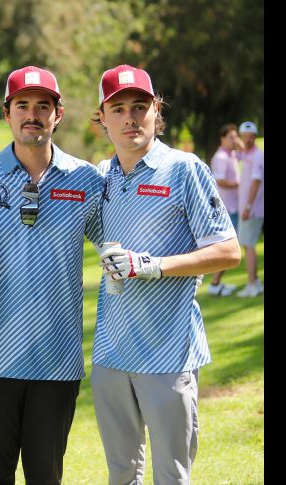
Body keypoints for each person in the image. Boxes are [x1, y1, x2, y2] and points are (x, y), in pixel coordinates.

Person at [92, 64, 240, 484]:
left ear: (157, 110)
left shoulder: (184, 169)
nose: (130, 118)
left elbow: (228, 250)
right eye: (117, 108)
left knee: (171, 475)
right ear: (102, 117)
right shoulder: (100, 177)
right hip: (110, 354)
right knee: (121, 473)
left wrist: (154, 266)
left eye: (140, 106)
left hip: (167, 355)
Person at [0, 66, 105, 484]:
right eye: (22, 105)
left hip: (56, 362)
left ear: (58, 115)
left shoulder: (86, 180)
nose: (33, 115)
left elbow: (117, 240)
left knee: (46, 476)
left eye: (43, 106)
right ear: (6, 114)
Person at [207, 123, 243, 296]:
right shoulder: (221, 157)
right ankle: (214, 284)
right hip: (226, 208)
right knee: (229, 249)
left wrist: (240, 144)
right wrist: (239, 184)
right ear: (222, 138)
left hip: (234, 206)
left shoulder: (232, 154)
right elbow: (219, 180)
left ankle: (217, 283)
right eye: (231, 137)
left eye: (236, 137)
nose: (234, 140)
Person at [235, 121, 264, 297]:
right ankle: (257, 283)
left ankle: (252, 285)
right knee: (247, 245)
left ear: (254, 137)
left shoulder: (257, 156)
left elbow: (256, 182)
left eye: (250, 136)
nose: (247, 139)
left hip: (252, 209)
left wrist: (247, 206)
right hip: (248, 209)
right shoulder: (246, 154)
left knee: (249, 245)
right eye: (244, 137)